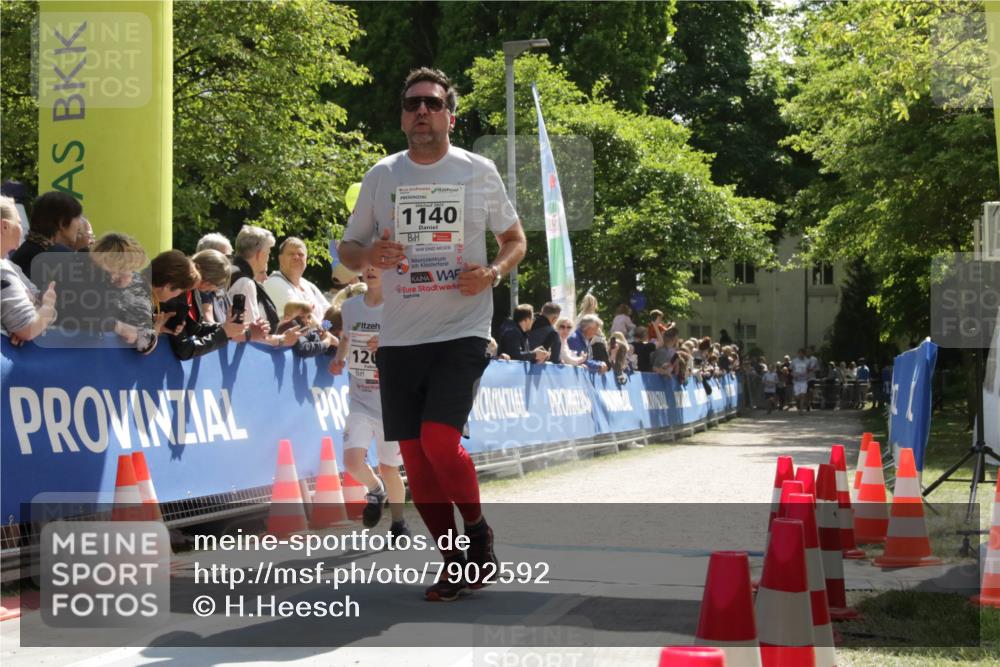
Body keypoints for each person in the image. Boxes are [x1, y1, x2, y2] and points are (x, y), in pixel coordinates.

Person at [339, 67, 527, 601]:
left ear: (450, 116)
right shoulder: (382, 175)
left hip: (461, 329)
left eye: (432, 103)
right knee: (415, 460)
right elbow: (349, 250)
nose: (421, 110)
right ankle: (453, 561)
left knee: (440, 442)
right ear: (403, 117)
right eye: (412, 103)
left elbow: (514, 239)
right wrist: (369, 254)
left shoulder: (477, 170)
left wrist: (492, 273)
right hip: (399, 336)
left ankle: (478, 533)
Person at [328, 265, 410, 541]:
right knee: (351, 462)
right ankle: (376, 490)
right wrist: (339, 359)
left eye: (378, 265)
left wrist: (386, 343)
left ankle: (398, 522)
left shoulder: (399, 304)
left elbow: (412, 343)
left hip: (391, 401)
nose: (372, 270)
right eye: (367, 266)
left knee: (389, 468)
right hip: (360, 398)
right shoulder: (350, 306)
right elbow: (346, 338)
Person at [157, 250, 260, 360]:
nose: (216, 289)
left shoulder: (193, 292)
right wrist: (224, 332)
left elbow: (196, 328)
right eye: (218, 284)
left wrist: (226, 326)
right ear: (206, 281)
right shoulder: (175, 295)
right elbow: (184, 350)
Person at [228, 225, 298, 348]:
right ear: (259, 254)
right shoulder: (245, 282)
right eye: (268, 253)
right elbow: (252, 336)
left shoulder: (230, 273)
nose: (268, 259)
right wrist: (282, 340)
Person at [1, 196, 57, 344]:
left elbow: (37, 301)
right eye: (19, 223)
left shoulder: (11, 266)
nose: (22, 230)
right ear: (4, 226)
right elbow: (28, 328)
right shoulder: (3, 270)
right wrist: (48, 306)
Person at [11, 191, 82, 280]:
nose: (79, 226)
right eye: (77, 218)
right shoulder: (61, 257)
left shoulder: (22, 253)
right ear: (62, 223)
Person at [263, 237, 330, 317]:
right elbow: (303, 320)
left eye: (300, 254)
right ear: (280, 258)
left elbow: (330, 313)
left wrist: (327, 324)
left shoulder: (309, 286)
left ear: (306, 259)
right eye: (291, 254)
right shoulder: (274, 284)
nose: (296, 257)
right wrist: (326, 324)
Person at [790, 348, 811, 413]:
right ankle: (799, 404)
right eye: (800, 353)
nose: (801, 355)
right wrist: (793, 375)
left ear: (804, 354)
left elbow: (809, 370)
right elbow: (790, 370)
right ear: (798, 354)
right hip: (796, 381)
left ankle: (801, 410)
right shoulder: (794, 361)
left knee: (803, 395)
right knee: (797, 397)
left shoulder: (807, 361)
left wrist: (808, 375)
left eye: (802, 353)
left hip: (804, 381)